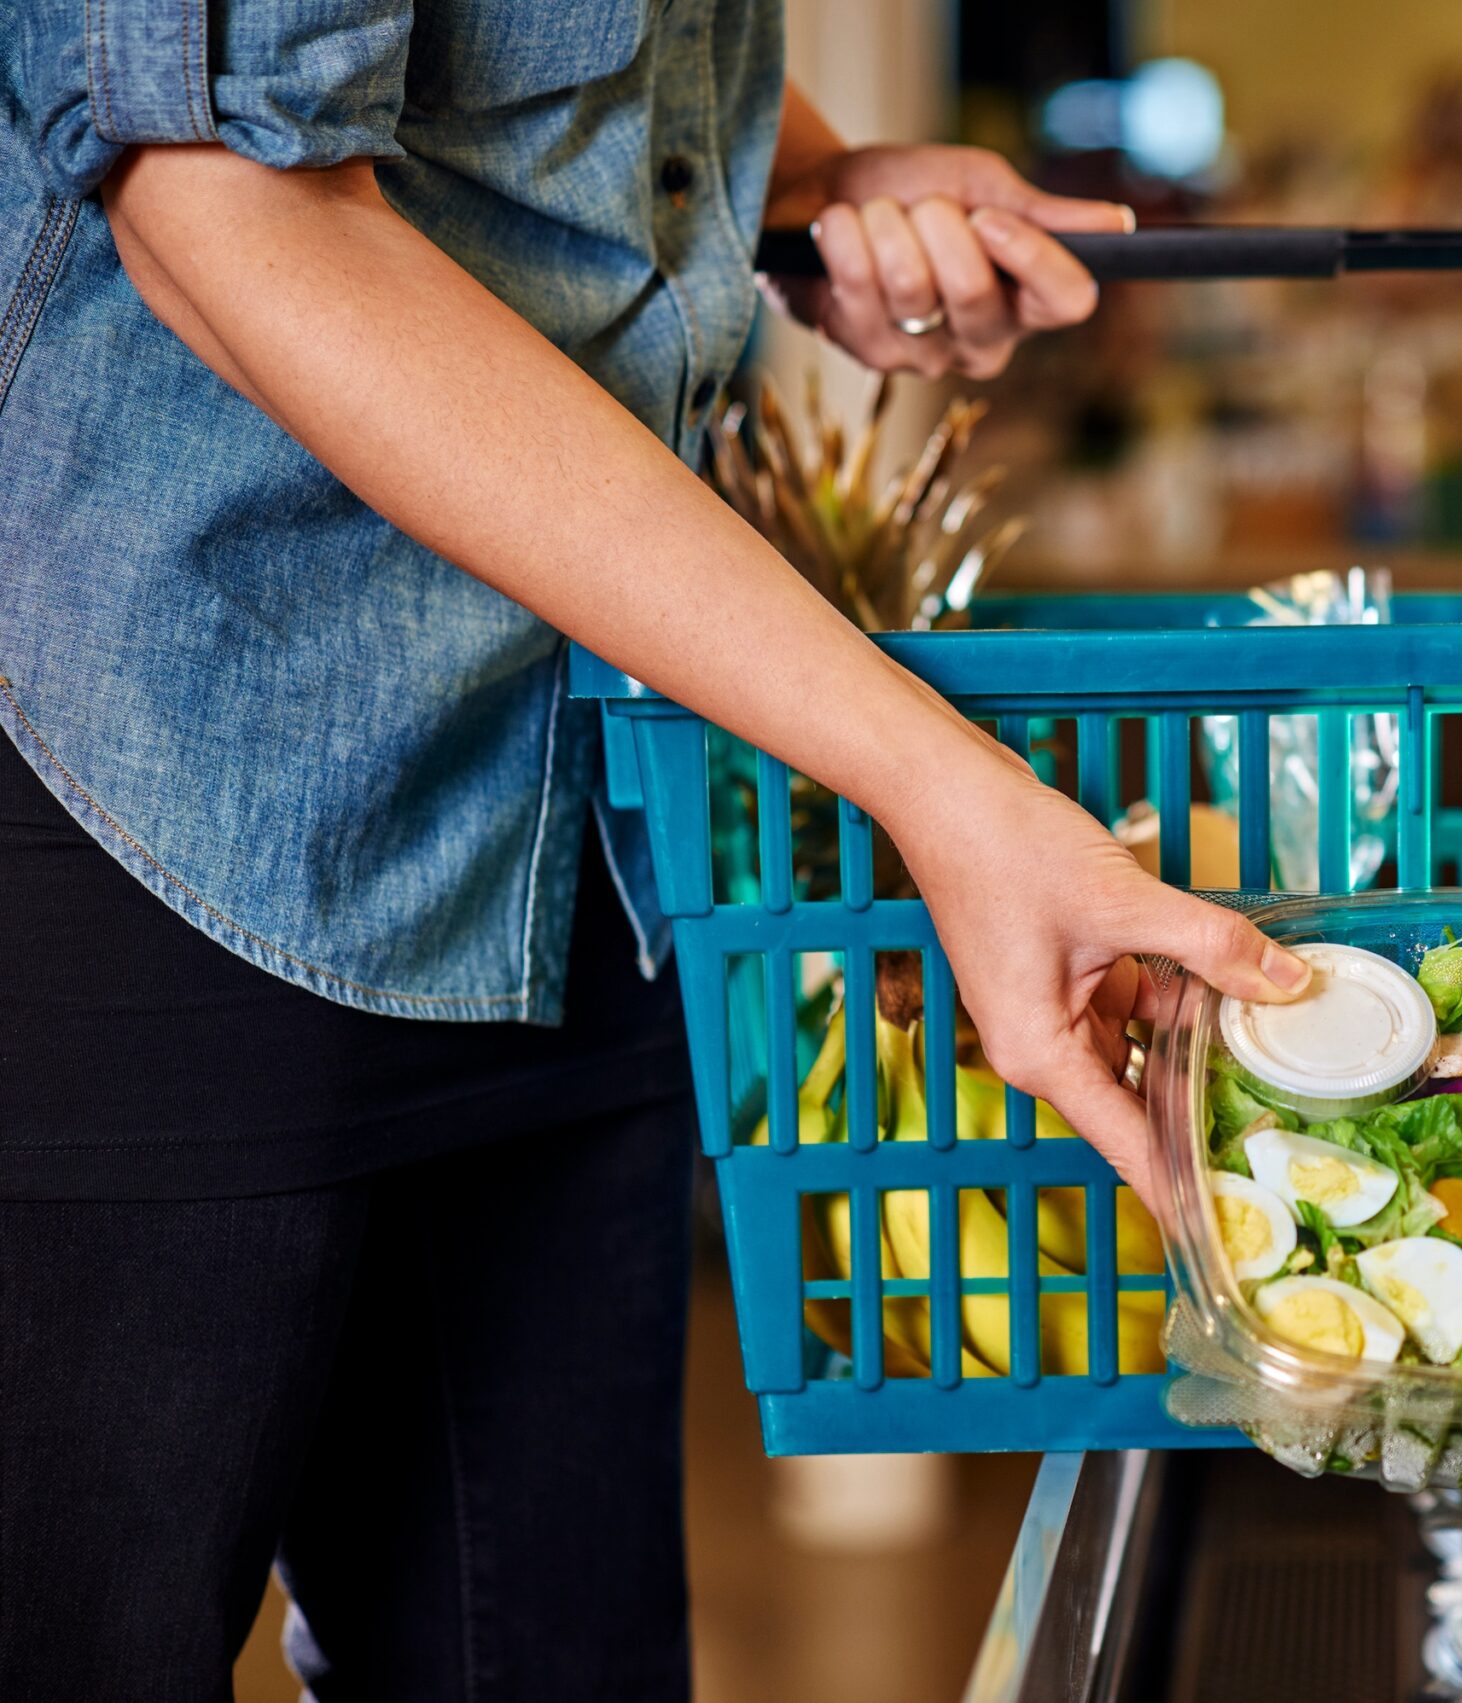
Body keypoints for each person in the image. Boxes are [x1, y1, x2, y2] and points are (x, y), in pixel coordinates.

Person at [0, 5, 1307, 1698]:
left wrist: (819, 180)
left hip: (575, 802)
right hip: (169, 794)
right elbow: (225, 201)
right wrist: (944, 785)